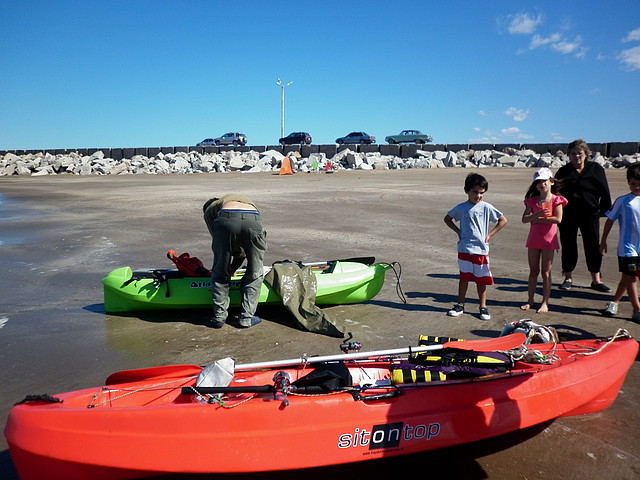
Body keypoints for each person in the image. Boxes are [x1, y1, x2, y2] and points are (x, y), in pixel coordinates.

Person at [444, 172, 507, 320]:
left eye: (481, 193)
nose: (478, 196)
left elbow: (502, 220)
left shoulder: (486, 207)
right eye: (475, 192)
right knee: (464, 278)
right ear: (467, 190)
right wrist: (458, 231)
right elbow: (447, 218)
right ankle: (460, 304)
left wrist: (490, 235)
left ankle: (483, 307)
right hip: (465, 248)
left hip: (481, 249)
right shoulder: (461, 207)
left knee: (481, 279)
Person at [203, 194, 267, 328]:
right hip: (254, 218)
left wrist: (228, 267)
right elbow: (242, 251)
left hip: (227, 218)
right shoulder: (238, 199)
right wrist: (234, 267)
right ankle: (246, 318)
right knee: (255, 272)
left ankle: (219, 317)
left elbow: (220, 242)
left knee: (220, 271)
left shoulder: (210, 210)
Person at [555, 139, 612, 292]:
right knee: (568, 244)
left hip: (590, 213)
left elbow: (604, 190)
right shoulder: (564, 171)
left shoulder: (595, 169)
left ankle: (596, 280)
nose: (576, 156)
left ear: (586, 154)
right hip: (568, 214)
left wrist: (605, 210)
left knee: (593, 245)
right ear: (569, 155)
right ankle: (568, 277)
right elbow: (555, 193)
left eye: (580, 153)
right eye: (573, 153)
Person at [520, 168, 568, 313]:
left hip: (549, 240)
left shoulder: (556, 200)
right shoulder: (532, 200)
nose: (542, 184)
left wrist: (538, 217)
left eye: (545, 181)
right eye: (538, 182)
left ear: (551, 181)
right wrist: (537, 215)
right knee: (533, 271)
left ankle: (545, 302)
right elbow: (524, 219)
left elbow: (558, 219)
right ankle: (530, 300)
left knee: (546, 272)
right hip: (534, 239)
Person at [598, 163, 640, 323]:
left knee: (627, 277)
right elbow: (610, 220)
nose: (636, 187)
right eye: (633, 184)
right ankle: (637, 309)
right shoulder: (623, 201)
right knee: (631, 278)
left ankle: (614, 302)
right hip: (627, 247)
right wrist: (603, 241)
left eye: (639, 184)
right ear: (628, 182)